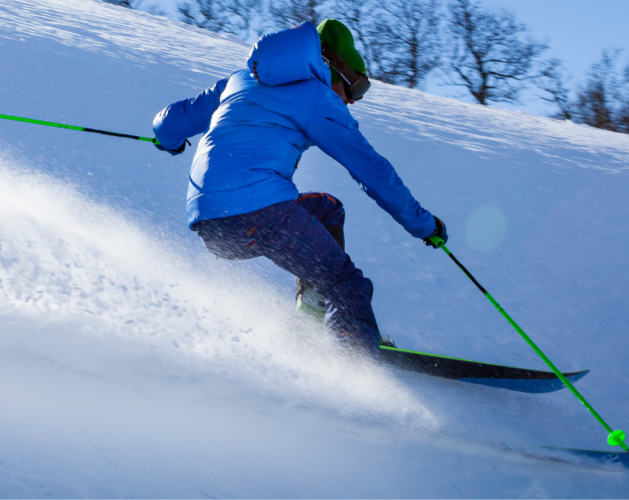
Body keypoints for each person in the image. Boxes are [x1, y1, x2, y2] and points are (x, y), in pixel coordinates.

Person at [151, 20, 447, 356]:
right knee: (346, 284)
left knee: (327, 208)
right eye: (356, 89)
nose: (353, 101)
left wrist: (169, 141)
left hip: (210, 224)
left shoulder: (239, 80)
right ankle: (353, 360)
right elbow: (371, 170)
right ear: (337, 69)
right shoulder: (316, 97)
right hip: (258, 212)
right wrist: (424, 224)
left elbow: (170, 122)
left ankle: (312, 318)